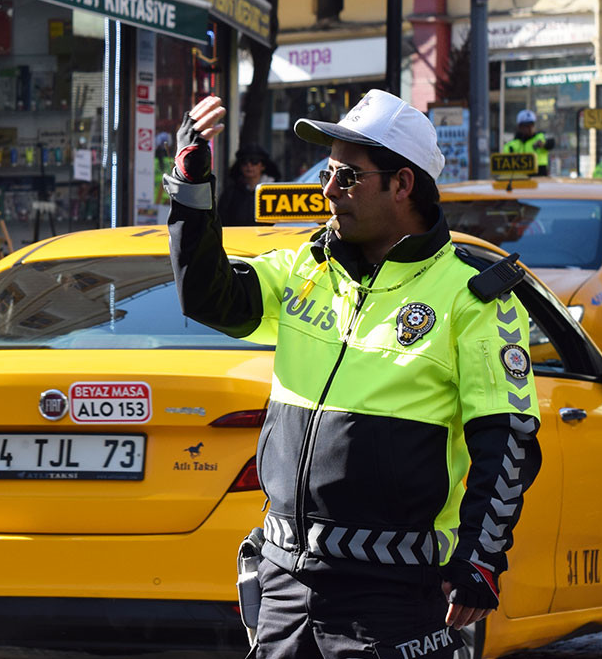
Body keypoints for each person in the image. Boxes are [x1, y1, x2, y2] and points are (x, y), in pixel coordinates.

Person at [163, 91, 543, 659]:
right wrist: (192, 189)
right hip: (286, 581)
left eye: (347, 176)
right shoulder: (304, 267)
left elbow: (507, 440)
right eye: (328, 172)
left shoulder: (472, 297)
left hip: (394, 593)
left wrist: (480, 560)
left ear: (403, 184)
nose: (328, 189)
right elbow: (206, 297)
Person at [216, 143, 280, 227]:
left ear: (263, 166)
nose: (249, 165)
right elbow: (221, 221)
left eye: (254, 161)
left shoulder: (275, 192)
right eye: (244, 162)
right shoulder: (230, 194)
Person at [502, 109, 555, 176]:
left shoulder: (541, 137)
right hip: (518, 179)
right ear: (520, 127)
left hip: (540, 178)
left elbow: (551, 142)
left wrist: (544, 144)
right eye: (526, 126)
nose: (530, 128)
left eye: (532, 125)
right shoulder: (511, 145)